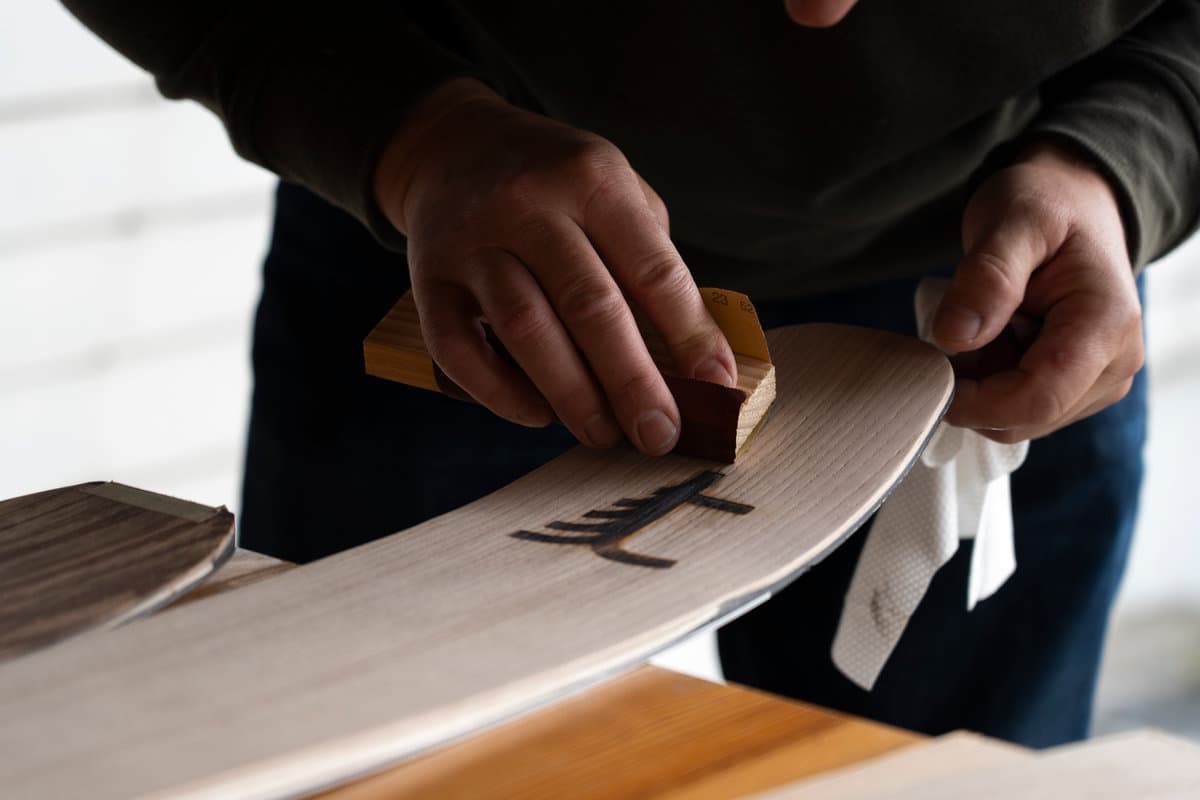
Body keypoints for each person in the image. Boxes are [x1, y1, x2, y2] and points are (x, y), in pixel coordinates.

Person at [65, 1, 1199, 747]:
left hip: (1005, 302)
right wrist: (408, 135)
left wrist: (1128, 158)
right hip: (452, 250)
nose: (809, 16)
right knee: (362, 760)